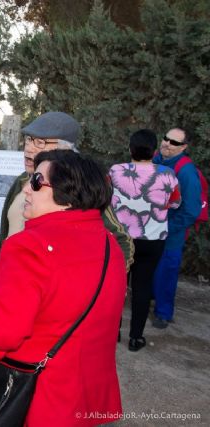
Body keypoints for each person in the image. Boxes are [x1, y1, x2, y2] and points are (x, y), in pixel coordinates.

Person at [0, 150, 127, 426]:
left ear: (66, 195)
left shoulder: (29, 247)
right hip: (86, 395)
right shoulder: (110, 243)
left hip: (41, 399)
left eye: (37, 181)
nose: (27, 188)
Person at [0, 111, 134, 270]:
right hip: (10, 280)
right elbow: (6, 236)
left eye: (40, 142)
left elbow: (122, 241)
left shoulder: (80, 189)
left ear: (64, 148)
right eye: (28, 140)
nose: (29, 148)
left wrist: (103, 286)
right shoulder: (21, 181)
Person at [109, 129, 180, 350]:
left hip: (121, 239)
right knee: (143, 286)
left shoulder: (115, 171)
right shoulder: (168, 174)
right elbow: (176, 203)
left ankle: (112, 334)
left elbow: (104, 198)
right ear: (155, 151)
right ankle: (136, 338)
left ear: (130, 149)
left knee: (117, 286)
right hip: (153, 239)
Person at [151, 127, 202, 328]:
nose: (167, 144)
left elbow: (191, 210)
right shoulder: (155, 159)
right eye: (165, 139)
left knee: (166, 272)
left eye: (174, 142)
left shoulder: (186, 171)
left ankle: (163, 313)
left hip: (169, 233)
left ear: (184, 147)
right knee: (150, 268)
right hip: (150, 229)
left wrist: (167, 228)